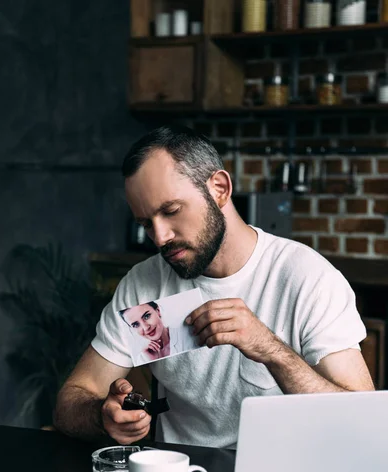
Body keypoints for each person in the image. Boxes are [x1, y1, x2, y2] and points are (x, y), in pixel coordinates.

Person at [54, 125, 374, 448]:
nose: (160, 237)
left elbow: (361, 423)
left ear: (219, 189)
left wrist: (270, 349)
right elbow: (70, 401)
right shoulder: (146, 285)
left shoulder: (306, 278)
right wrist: (102, 415)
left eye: (171, 211)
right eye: (146, 224)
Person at [119, 301, 197, 365]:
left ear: (158, 311)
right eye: (135, 325)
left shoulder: (187, 334)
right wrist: (155, 360)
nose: (146, 328)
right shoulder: (142, 358)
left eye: (147, 316)